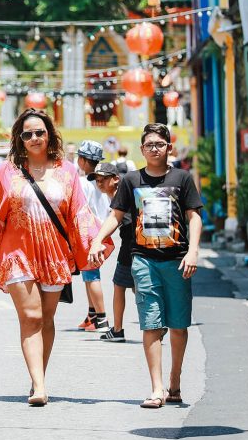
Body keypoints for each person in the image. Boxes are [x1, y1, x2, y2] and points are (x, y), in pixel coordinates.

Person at [0, 109, 109, 406]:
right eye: (27, 134)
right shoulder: (6, 172)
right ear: (19, 139)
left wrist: (95, 243)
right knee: (31, 316)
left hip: (54, 254)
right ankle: (39, 385)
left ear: (49, 134)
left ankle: (39, 375)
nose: (34, 138)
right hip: (17, 253)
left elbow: (79, 211)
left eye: (39, 132)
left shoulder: (66, 171)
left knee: (46, 319)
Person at [89, 123, 202, 408]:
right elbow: (116, 216)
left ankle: (175, 381)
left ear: (169, 147)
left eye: (160, 144)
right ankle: (157, 388)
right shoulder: (130, 181)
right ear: (142, 150)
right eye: (149, 144)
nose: (155, 149)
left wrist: (193, 251)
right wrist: (98, 240)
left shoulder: (182, 178)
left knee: (178, 325)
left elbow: (194, 217)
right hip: (143, 260)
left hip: (177, 261)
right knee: (151, 324)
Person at [89, 163, 133, 342]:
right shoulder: (115, 195)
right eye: (97, 180)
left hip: (131, 245)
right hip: (132, 243)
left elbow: (117, 220)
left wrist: (98, 240)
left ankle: (117, 329)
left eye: (104, 179)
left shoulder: (119, 195)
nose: (99, 183)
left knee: (120, 285)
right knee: (136, 286)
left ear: (116, 179)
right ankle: (156, 324)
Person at [75, 139, 110, 332]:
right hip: (102, 229)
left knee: (91, 275)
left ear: (82, 160)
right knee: (88, 274)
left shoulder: (83, 182)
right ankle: (92, 315)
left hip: (89, 232)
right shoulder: (103, 179)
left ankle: (102, 319)